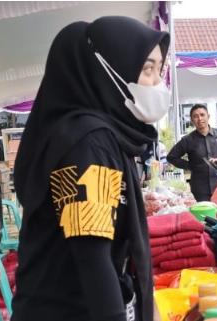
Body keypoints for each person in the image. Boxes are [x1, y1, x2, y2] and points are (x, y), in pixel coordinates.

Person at [12, 17, 170, 321]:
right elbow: (92, 257)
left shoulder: (101, 136)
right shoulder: (87, 145)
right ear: (107, 69)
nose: (155, 82)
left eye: (158, 70)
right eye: (147, 68)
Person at [167, 104, 217, 202]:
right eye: (195, 116)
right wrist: (190, 166)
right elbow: (171, 157)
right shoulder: (188, 140)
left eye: (202, 115)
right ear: (191, 120)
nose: (199, 118)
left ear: (208, 116)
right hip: (200, 189)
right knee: (204, 216)